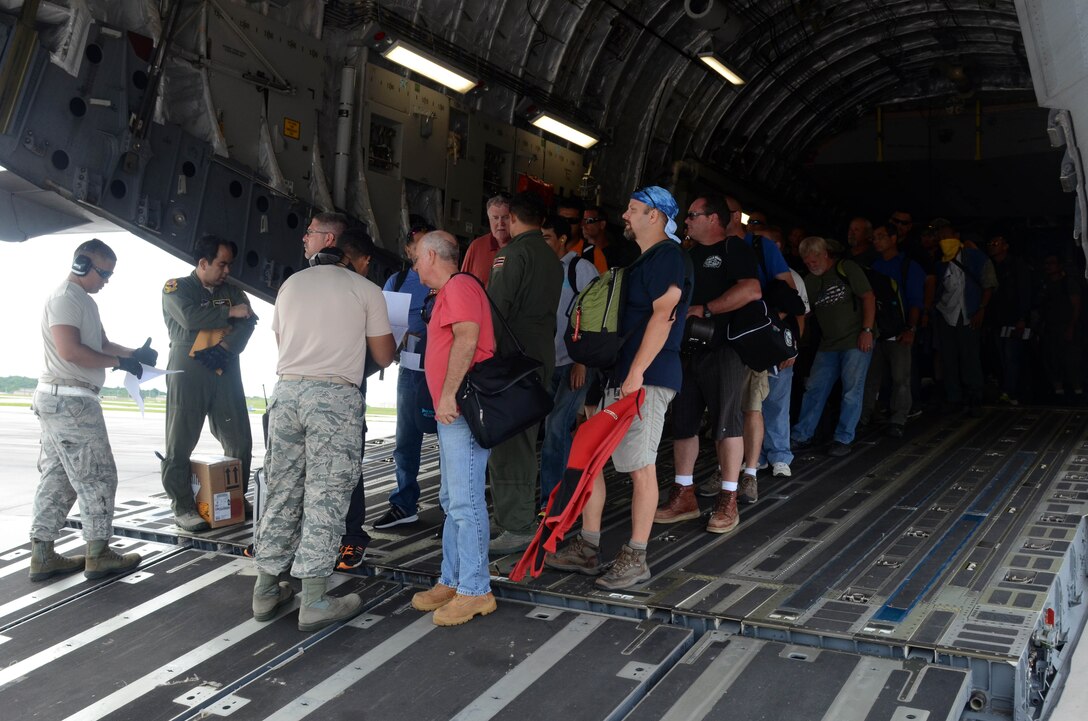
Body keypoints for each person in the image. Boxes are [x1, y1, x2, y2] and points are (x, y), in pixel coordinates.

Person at [545, 186, 692, 590]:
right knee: (592, 460)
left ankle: (637, 557)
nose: (624, 216)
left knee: (640, 466)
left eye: (632, 209)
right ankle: (589, 547)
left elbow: (665, 314)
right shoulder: (643, 260)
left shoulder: (668, 256)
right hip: (619, 375)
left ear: (655, 217)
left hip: (645, 378)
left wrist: (637, 372)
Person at [253, 234, 395, 632]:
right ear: (355, 260)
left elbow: (281, 340)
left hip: (287, 392)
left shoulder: (291, 283)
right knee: (326, 495)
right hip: (333, 398)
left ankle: (265, 590)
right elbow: (383, 355)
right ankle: (313, 598)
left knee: (282, 490)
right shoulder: (365, 289)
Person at [29, 239, 148, 581]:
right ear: (82, 264)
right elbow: (71, 351)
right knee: (98, 475)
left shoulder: (83, 300)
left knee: (60, 478)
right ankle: (98, 553)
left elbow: (102, 345)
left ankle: (43, 554)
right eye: (104, 272)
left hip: (62, 399)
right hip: (71, 401)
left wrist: (134, 355)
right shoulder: (66, 298)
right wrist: (118, 362)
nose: (107, 280)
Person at [410, 230, 499, 625]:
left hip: (459, 410)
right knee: (452, 499)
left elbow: (468, 338)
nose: (414, 267)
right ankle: (453, 579)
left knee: (464, 502)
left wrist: (447, 395)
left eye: (416, 259)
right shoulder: (453, 289)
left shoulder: (460, 286)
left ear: (430, 255)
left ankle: (476, 589)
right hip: (453, 413)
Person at [655, 194, 758, 532]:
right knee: (683, 423)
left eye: (693, 214)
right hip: (686, 349)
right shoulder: (685, 254)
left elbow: (752, 290)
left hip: (723, 348)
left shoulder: (734, 249)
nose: (686, 220)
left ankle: (728, 499)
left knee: (726, 423)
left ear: (713, 219)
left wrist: (707, 309)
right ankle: (684, 494)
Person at [161, 234, 257, 532]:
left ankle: (235, 497)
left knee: (239, 439)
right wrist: (228, 312)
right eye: (222, 264)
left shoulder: (234, 291)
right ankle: (182, 506)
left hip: (225, 366)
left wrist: (225, 350)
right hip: (188, 369)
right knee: (180, 441)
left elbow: (249, 321)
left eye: (229, 265)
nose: (227, 271)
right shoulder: (176, 288)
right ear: (203, 263)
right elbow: (190, 318)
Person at [485, 192, 563, 555]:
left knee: (510, 444)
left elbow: (497, 308)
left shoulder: (513, 254)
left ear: (514, 218)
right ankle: (513, 517)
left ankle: (516, 524)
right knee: (525, 439)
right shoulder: (551, 256)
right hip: (538, 356)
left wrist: (482, 357)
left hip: (511, 360)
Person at [368, 218, 437, 538]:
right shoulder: (395, 283)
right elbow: (384, 327)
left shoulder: (449, 280)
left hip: (444, 371)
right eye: (418, 246)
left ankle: (454, 511)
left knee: (452, 441)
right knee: (406, 442)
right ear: (409, 250)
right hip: (411, 371)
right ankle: (404, 504)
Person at [791, 236, 876, 456]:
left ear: (825, 254)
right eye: (807, 262)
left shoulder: (846, 268)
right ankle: (802, 435)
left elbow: (868, 297)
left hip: (855, 340)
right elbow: (803, 311)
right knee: (814, 389)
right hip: (828, 344)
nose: (811, 265)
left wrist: (867, 331)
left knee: (851, 391)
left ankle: (843, 438)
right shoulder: (810, 280)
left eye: (814, 260)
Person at [539, 214, 598, 511]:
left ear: (562, 239)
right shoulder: (541, 267)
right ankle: (553, 498)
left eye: (547, 237)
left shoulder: (581, 268)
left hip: (574, 364)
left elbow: (594, 316)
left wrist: (582, 362)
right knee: (551, 429)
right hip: (547, 362)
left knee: (556, 427)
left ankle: (556, 503)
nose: (542, 243)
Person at [861, 222, 926, 437]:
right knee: (871, 377)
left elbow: (916, 301)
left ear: (893, 238)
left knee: (901, 378)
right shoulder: (874, 266)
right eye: (875, 237)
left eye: (881, 236)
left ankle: (898, 419)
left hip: (899, 330)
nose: (876, 241)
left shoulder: (908, 266)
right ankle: (864, 417)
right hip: (877, 330)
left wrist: (911, 328)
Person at [932, 219, 997, 415]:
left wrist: (981, 309)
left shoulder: (975, 257)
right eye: (941, 238)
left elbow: (989, 284)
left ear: (957, 236)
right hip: (946, 315)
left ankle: (974, 396)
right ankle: (954, 397)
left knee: (970, 357)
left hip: (969, 313)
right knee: (949, 358)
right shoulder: (939, 262)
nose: (944, 240)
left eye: (947, 236)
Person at [461, 194, 512, 287]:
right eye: (495, 218)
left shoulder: (521, 247)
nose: (500, 223)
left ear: (513, 219)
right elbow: (462, 285)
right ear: (489, 220)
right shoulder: (476, 246)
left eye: (505, 217)